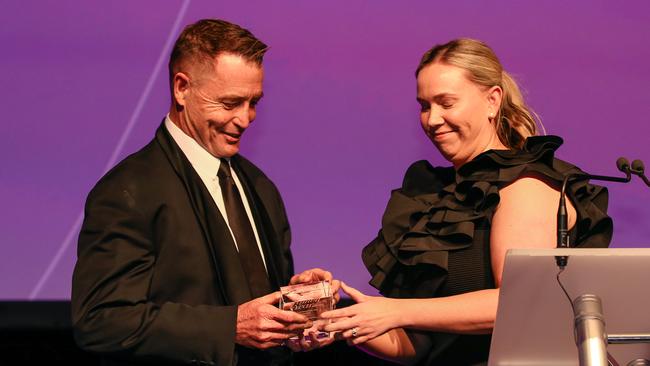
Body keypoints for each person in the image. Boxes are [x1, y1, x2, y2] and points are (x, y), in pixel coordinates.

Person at [321, 38, 612, 365]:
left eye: (446, 103)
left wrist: (395, 310)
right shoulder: (435, 198)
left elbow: (521, 303)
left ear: (492, 101)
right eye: (424, 105)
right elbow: (421, 346)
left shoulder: (524, 185)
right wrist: (343, 322)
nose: (432, 120)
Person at [71, 19, 335, 366]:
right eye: (230, 103)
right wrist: (229, 328)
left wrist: (298, 305)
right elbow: (100, 320)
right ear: (182, 89)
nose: (245, 119)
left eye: (254, 101)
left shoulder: (259, 186)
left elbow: (256, 307)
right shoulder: (127, 191)